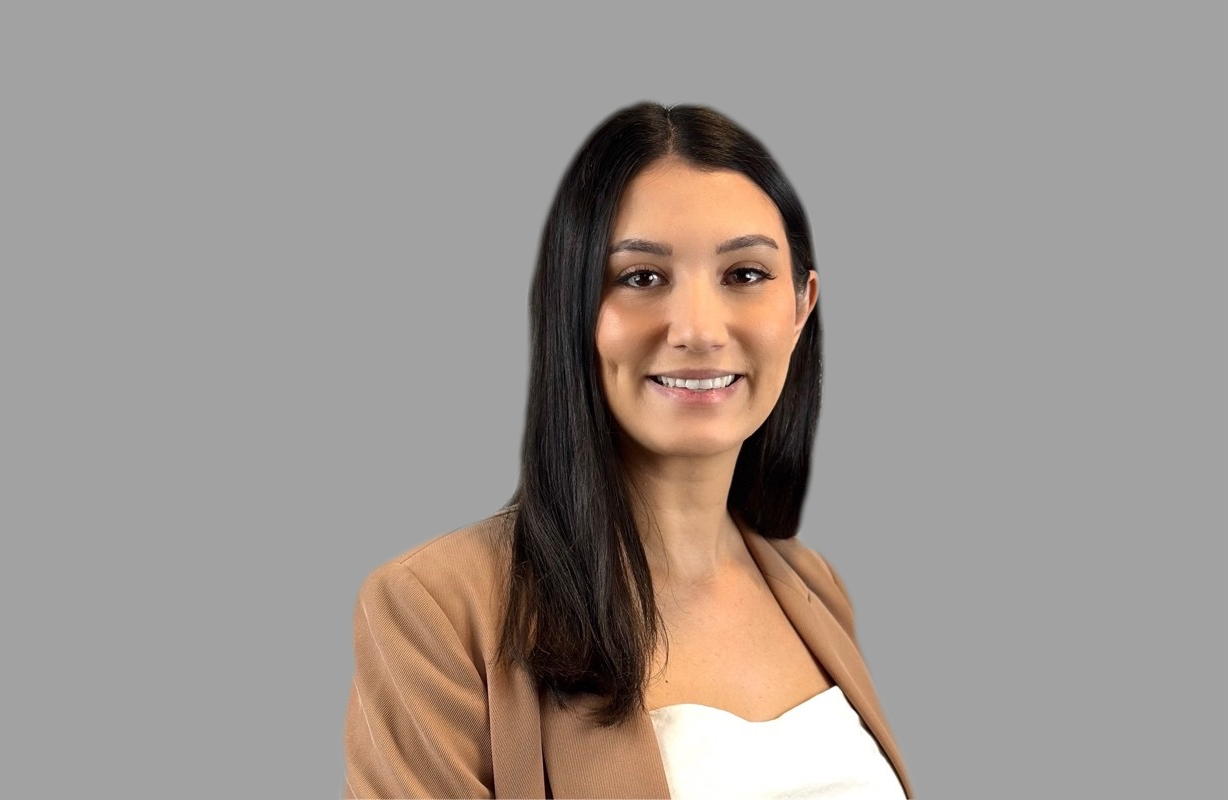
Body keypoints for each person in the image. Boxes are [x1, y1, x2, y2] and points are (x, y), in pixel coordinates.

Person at [343, 102, 913, 799]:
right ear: (573, 308)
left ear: (801, 308)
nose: (699, 330)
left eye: (745, 275)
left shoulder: (815, 587)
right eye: (642, 278)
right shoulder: (439, 609)